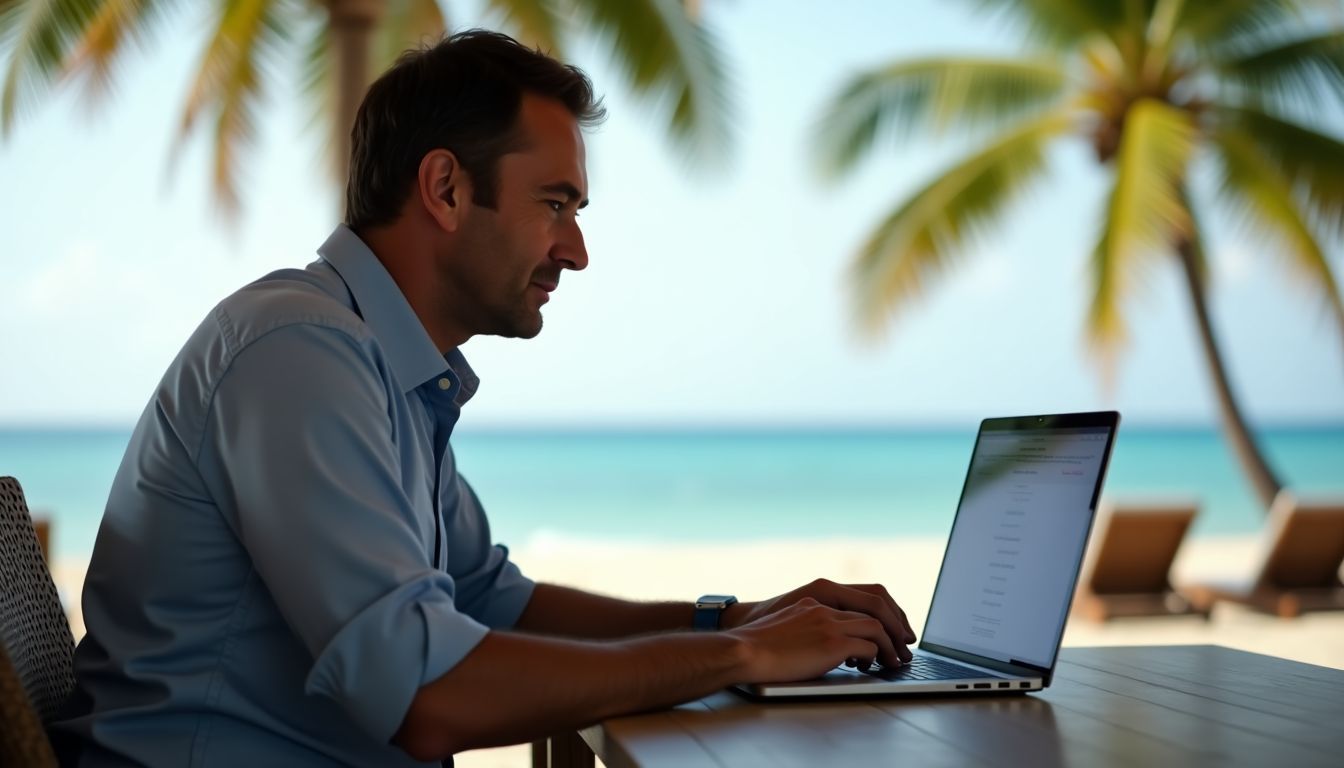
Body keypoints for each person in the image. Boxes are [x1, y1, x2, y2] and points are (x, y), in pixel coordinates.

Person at [51, 29, 915, 766]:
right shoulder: (298, 352)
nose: (575, 251)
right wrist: (739, 656)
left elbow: (492, 599)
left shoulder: (384, 366)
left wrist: (727, 619)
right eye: (555, 204)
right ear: (446, 190)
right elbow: (429, 694)